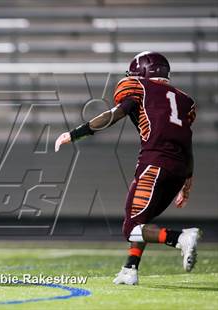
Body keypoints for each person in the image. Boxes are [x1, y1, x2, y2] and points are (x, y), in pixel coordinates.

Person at [55, 51, 201, 285]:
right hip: (179, 167)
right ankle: (130, 269)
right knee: (141, 220)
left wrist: (74, 134)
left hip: (154, 162)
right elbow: (186, 140)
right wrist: (188, 180)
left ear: (142, 72)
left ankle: (180, 237)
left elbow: (112, 115)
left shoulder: (140, 88)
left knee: (130, 228)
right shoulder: (184, 100)